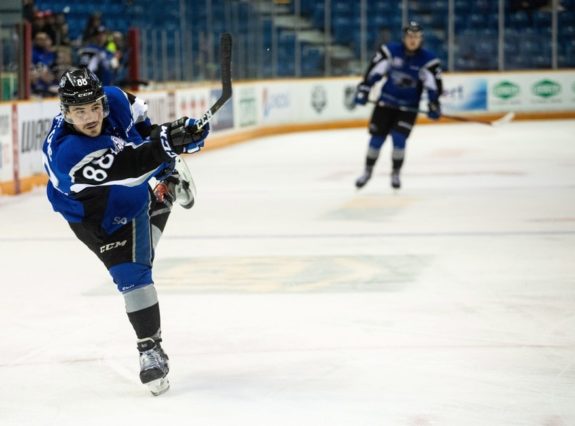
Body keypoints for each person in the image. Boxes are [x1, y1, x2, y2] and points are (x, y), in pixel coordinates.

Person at [42, 67, 209, 396]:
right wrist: (167, 146)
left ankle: (150, 349)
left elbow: (144, 131)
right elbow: (127, 168)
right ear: (65, 113)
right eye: (79, 111)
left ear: (103, 101)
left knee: (132, 275)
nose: (90, 117)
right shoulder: (66, 155)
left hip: (127, 197)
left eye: (94, 107)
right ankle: (166, 196)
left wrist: (173, 142)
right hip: (89, 215)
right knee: (136, 260)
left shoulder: (117, 100)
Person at [353, 21, 443, 190]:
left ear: (421, 39)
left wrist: (434, 104)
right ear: (404, 37)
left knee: (399, 140)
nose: (413, 40)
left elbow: (433, 86)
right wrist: (364, 89)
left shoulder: (428, 61)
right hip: (385, 103)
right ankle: (367, 171)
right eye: (410, 36)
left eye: (416, 37)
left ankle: (395, 172)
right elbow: (374, 72)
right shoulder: (390, 52)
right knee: (376, 140)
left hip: (408, 108)